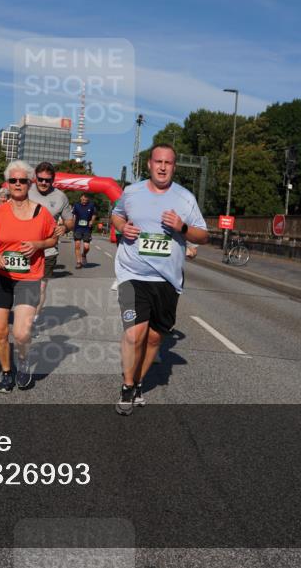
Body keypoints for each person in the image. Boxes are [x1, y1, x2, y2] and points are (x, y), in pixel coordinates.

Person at [111, 144, 209, 415]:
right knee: (134, 334)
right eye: (158, 162)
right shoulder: (132, 192)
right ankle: (127, 386)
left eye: (168, 163)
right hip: (132, 273)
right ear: (149, 164)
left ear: (174, 167)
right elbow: (116, 215)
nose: (163, 167)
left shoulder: (185, 198)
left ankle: (138, 383)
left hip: (167, 279)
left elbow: (203, 236)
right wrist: (122, 227)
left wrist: (182, 227)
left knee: (154, 339)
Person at [0, 160, 57, 392]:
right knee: (0, 332)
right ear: (7, 183)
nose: (17, 184)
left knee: (21, 333)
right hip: (2, 277)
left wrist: (38, 244)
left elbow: (53, 239)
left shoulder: (42, 213)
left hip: (29, 277)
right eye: (13, 180)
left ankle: (23, 363)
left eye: (22, 180)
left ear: (29, 183)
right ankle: (6, 372)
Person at [27, 161, 74, 332]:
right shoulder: (25, 190)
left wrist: (65, 227)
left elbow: (70, 220)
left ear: (53, 180)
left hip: (48, 250)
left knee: (40, 287)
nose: (43, 183)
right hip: (23, 248)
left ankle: (33, 321)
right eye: (40, 179)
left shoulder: (60, 197)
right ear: (35, 178)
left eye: (47, 180)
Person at [71, 193, 98, 268]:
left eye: (85, 200)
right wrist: (72, 225)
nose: (84, 201)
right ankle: (78, 262)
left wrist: (92, 221)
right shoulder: (76, 205)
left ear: (88, 200)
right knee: (77, 244)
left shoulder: (91, 205)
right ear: (80, 198)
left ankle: (84, 255)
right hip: (78, 228)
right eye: (83, 200)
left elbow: (94, 214)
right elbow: (74, 215)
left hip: (87, 229)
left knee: (86, 247)